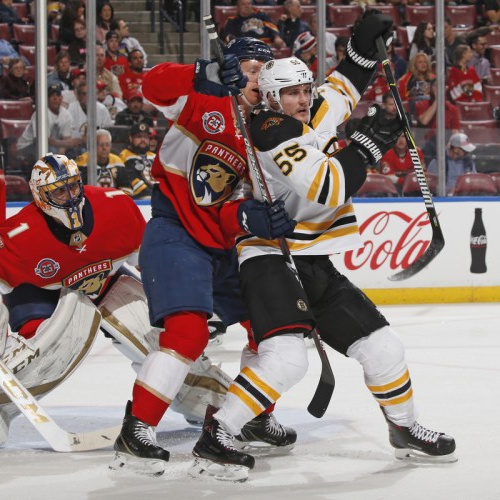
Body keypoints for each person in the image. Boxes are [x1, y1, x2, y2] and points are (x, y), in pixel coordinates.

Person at [188, 12, 456, 481]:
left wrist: (364, 46)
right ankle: (218, 436)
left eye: (304, 90)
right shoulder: (268, 132)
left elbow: (343, 88)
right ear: (271, 97)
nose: (302, 99)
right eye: (291, 93)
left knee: (384, 348)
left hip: (310, 258)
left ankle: (405, 428)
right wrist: (367, 145)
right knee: (287, 359)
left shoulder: (305, 109)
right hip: (268, 256)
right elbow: (327, 187)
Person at [0, 153, 233, 448]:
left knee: (163, 342)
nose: (70, 197)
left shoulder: (117, 206)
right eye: (59, 191)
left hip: (107, 281)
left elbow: (151, 262)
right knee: (49, 353)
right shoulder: (21, 234)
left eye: (72, 186)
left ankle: (207, 400)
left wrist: (180, 305)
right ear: (40, 197)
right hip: (42, 293)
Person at [111, 38, 297, 476]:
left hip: (227, 246)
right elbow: (151, 84)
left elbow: (235, 207)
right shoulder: (203, 96)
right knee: (188, 332)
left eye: (264, 71)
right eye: (249, 68)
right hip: (177, 231)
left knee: (270, 327)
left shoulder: (270, 131)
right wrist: (202, 73)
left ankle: (251, 416)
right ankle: (136, 431)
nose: (256, 78)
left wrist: (255, 218)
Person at [16, 83, 76, 170]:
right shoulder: (41, 113)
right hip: (26, 146)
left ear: (61, 98)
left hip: (53, 146)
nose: (55, 98)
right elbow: (42, 140)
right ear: (47, 99)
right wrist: (62, 146)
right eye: (52, 95)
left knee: (72, 152)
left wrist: (60, 156)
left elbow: (66, 138)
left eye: (57, 95)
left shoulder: (66, 114)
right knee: (51, 151)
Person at [414, 78, 461, 165]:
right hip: (426, 144)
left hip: (446, 144)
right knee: (430, 145)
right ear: (431, 88)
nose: (439, 89)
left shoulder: (453, 109)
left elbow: (455, 132)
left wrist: (451, 146)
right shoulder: (421, 104)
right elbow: (424, 121)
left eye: (441, 86)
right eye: (436, 86)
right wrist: (437, 101)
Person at [222, 0, 286, 48]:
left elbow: (272, 27)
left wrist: (276, 37)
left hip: (265, 45)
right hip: (246, 47)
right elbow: (228, 37)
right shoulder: (232, 20)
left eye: (249, 4)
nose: (247, 6)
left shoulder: (261, 15)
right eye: (243, 4)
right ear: (238, 7)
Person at [116, 121, 156, 199]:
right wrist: (151, 194)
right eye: (139, 137)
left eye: (146, 137)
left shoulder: (155, 156)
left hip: (158, 195)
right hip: (141, 197)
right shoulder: (124, 156)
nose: (143, 140)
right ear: (131, 138)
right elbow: (131, 178)